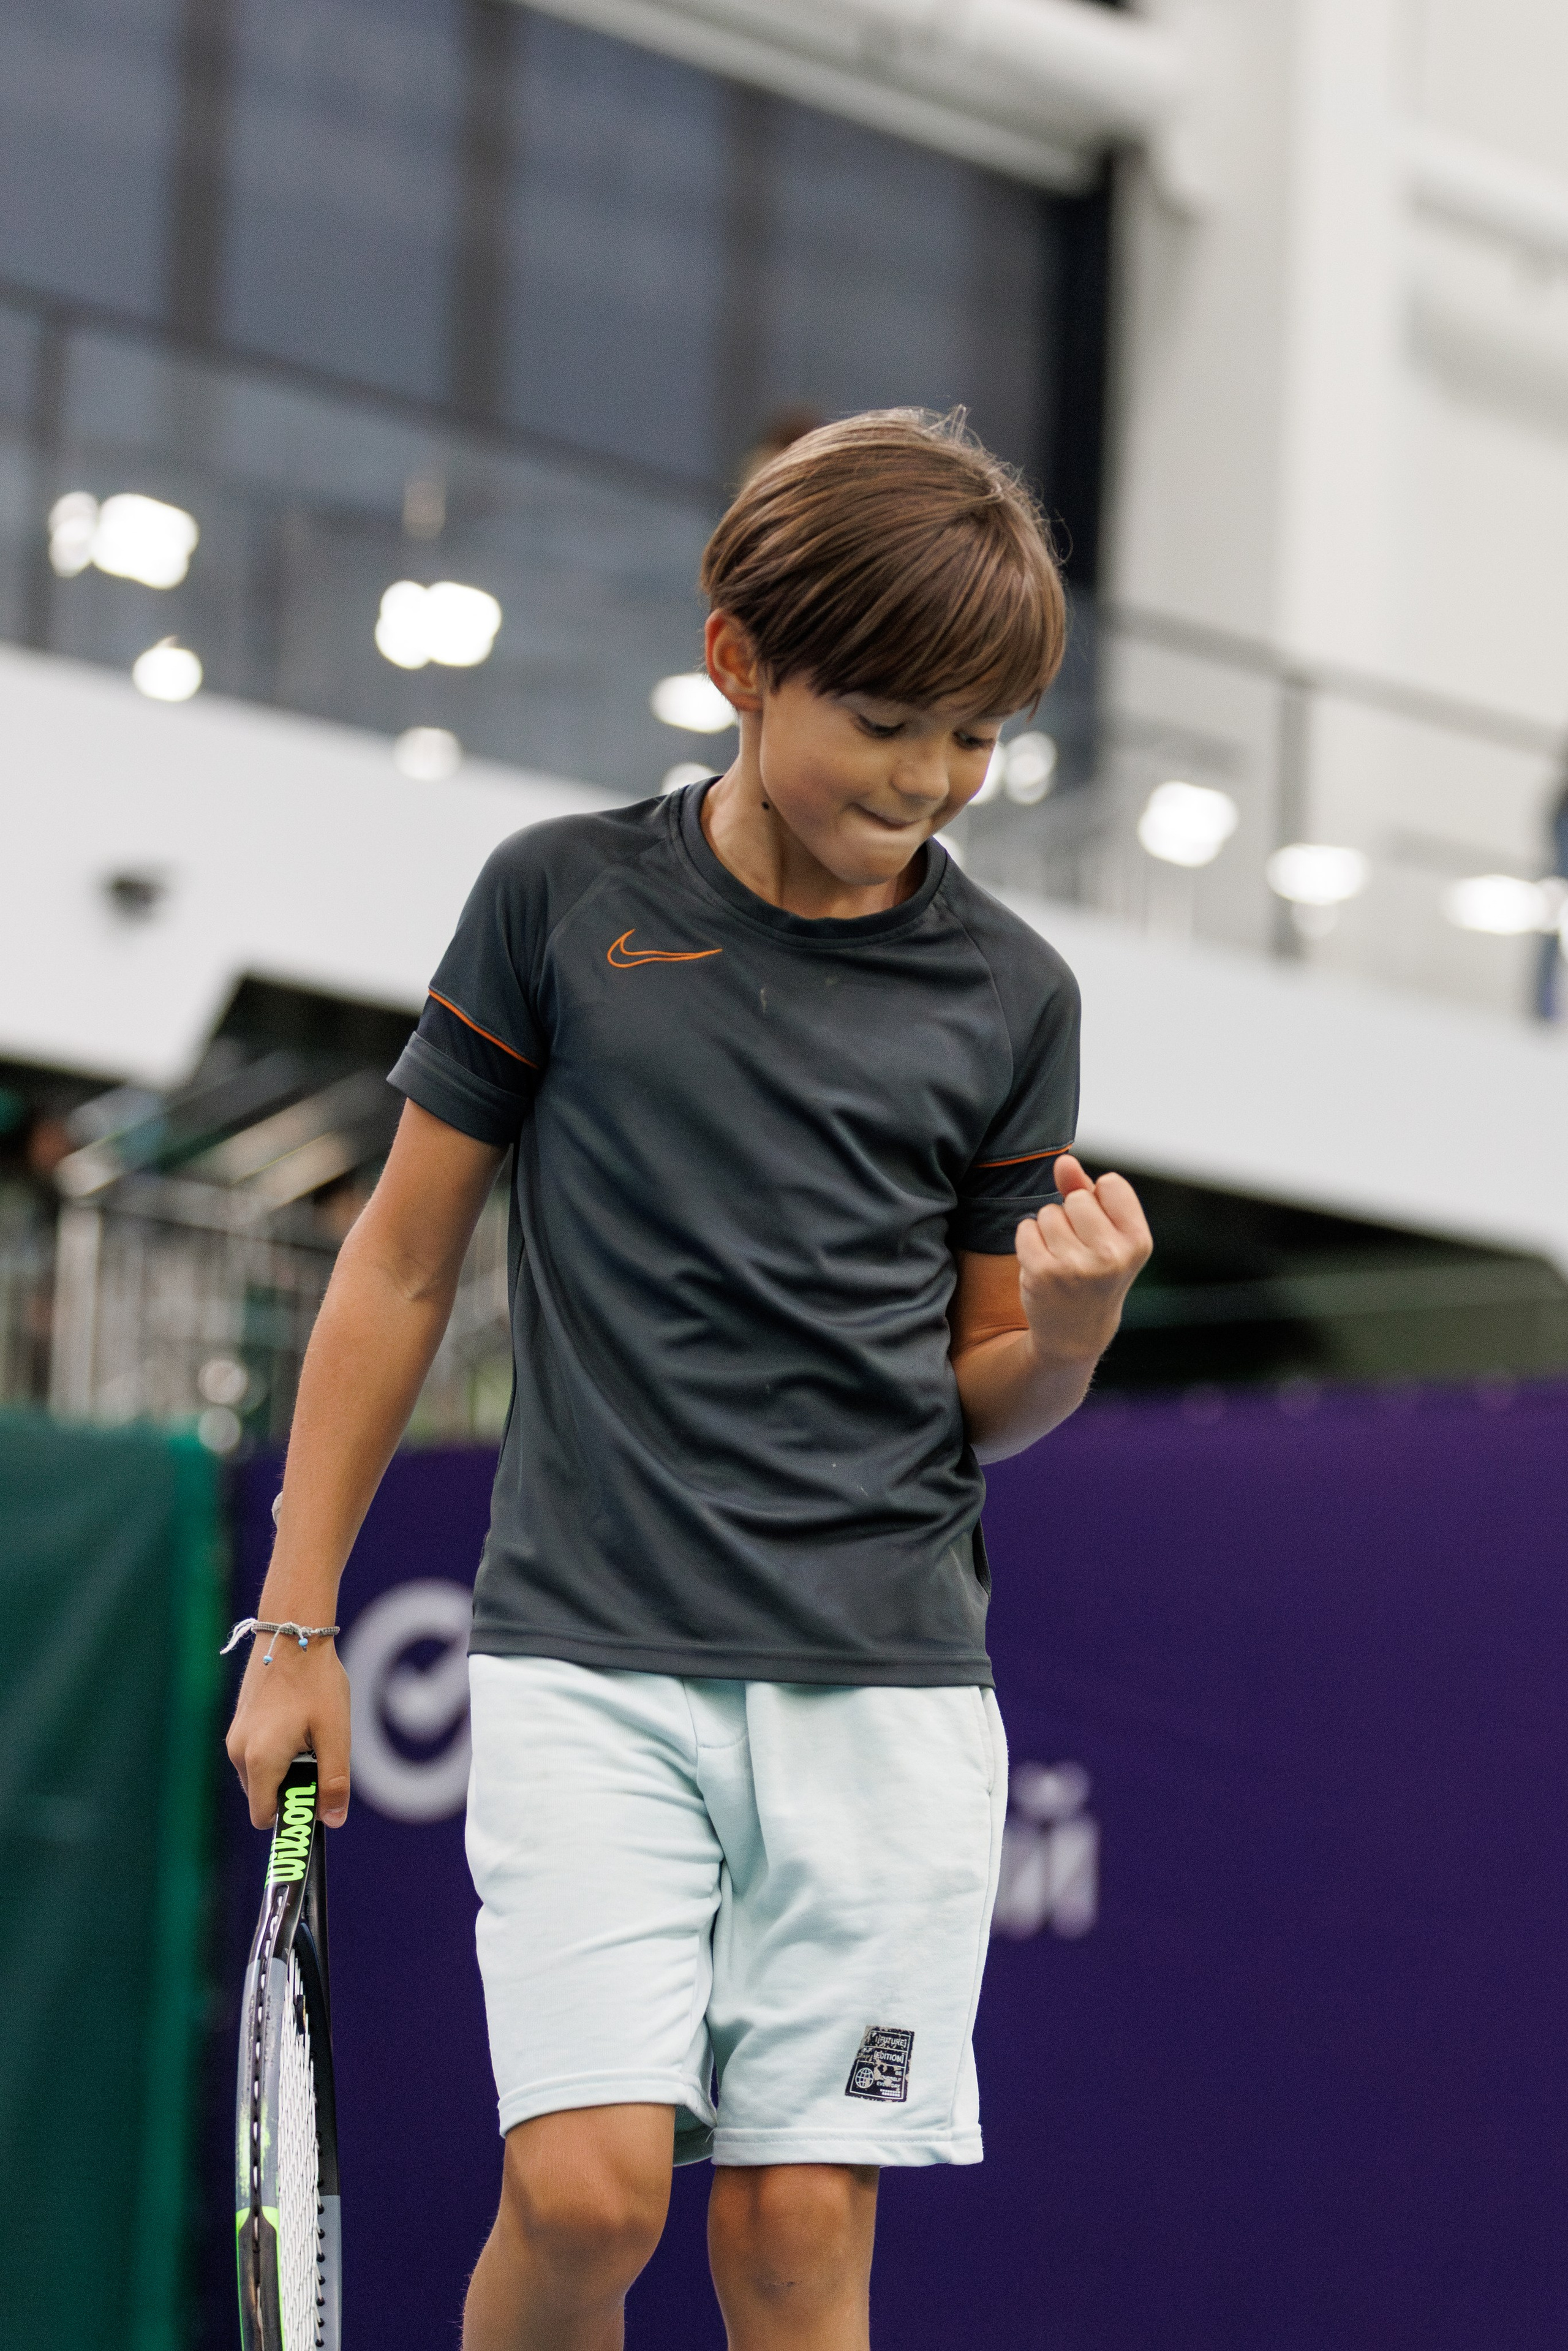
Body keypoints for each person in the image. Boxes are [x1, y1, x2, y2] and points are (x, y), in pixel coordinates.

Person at [225, 408, 1152, 2351]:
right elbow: (399, 1262)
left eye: (978, 734)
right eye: (890, 718)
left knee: (800, 2233)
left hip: (887, 1692)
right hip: (589, 1659)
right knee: (585, 2197)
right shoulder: (558, 901)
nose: (932, 778)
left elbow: (987, 1395)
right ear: (739, 659)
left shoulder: (1015, 998)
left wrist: (1065, 1333)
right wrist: (295, 1621)